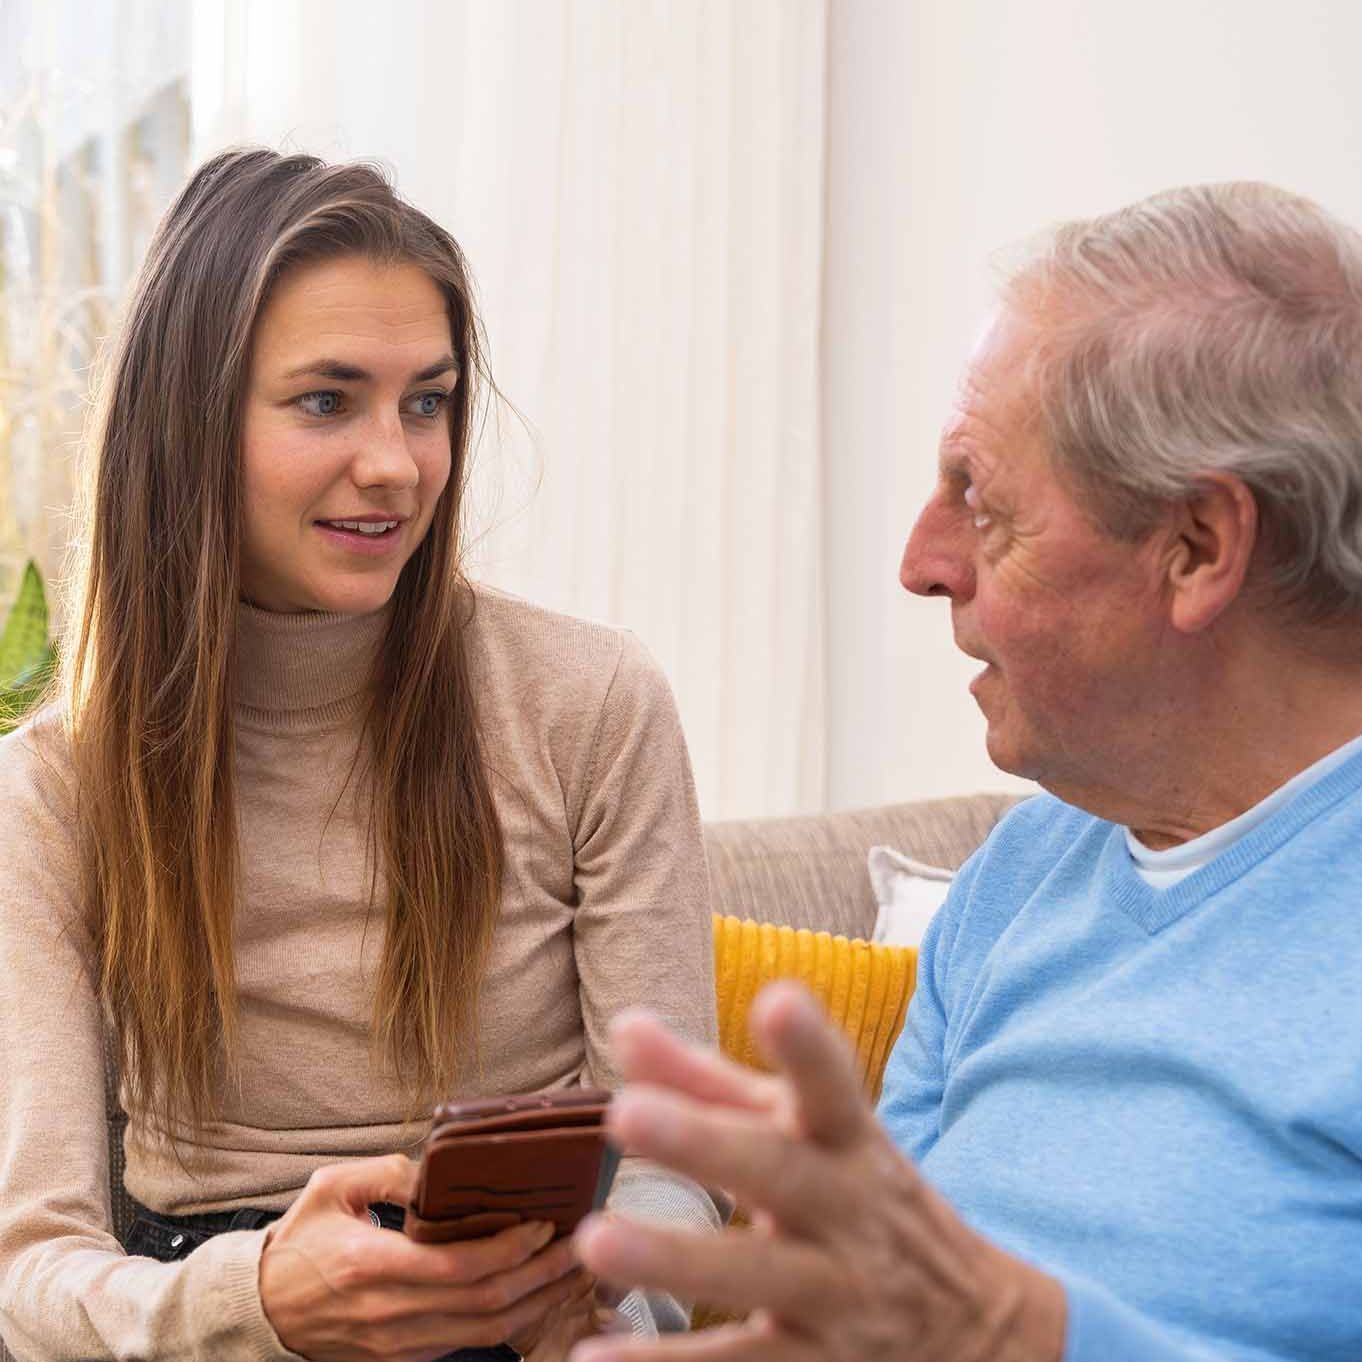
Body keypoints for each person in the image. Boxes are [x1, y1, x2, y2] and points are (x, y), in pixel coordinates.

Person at [565, 181, 1362, 1362]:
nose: (920, 562)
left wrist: (1022, 1333)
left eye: (980, 501)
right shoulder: (1019, 877)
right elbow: (876, 1319)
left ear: (1197, 547)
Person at [0, 148, 719, 1362]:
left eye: (426, 402)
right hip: (211, 1310)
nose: (396, 464)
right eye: (327, 401)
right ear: (190, 425)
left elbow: (670, 1151)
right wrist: (258, 1302)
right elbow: (30, 1268)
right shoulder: (56, 788)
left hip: (521, 1305)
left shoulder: (592, 704)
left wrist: (606, 1318)